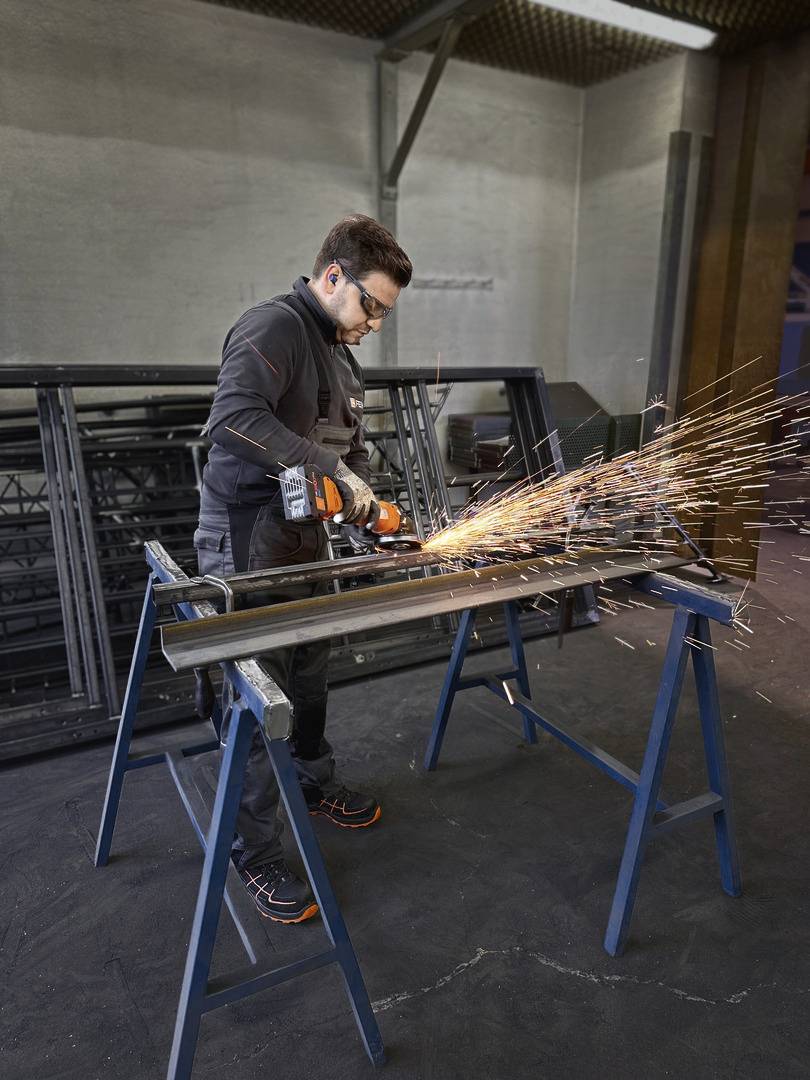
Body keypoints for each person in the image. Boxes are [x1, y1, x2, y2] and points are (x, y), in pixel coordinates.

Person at [195, 214, 412, 923]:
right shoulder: (274, 328)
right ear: (331, 279)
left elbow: (342, 453)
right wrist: (329, 471)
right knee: (264, 698)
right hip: (246, 539)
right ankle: (254, 856)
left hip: (301, 539)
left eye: (383, 313)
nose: (373, 323)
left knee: (313, 669)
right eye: (370, 306)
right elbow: (232, 419)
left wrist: (366, 502)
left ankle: (311, 783)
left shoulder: (340, 357)